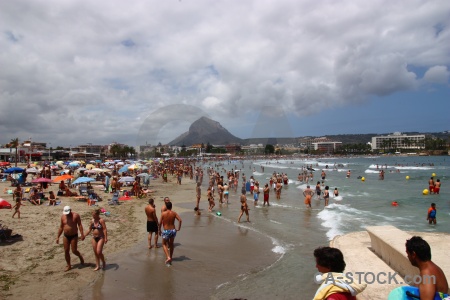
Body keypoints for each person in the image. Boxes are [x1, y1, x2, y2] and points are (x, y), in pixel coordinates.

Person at [56, 206, 85, 271]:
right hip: (66, 235)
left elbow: (80, 225)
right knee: (66, 250)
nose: (67, 214)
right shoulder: (63, 217)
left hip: (74, 235)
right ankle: (69, 265)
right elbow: (61, 227)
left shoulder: (76, 216)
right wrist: (58, 237)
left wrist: (82, 234)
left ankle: (80, 256)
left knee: (74, 250)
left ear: (70, 210)